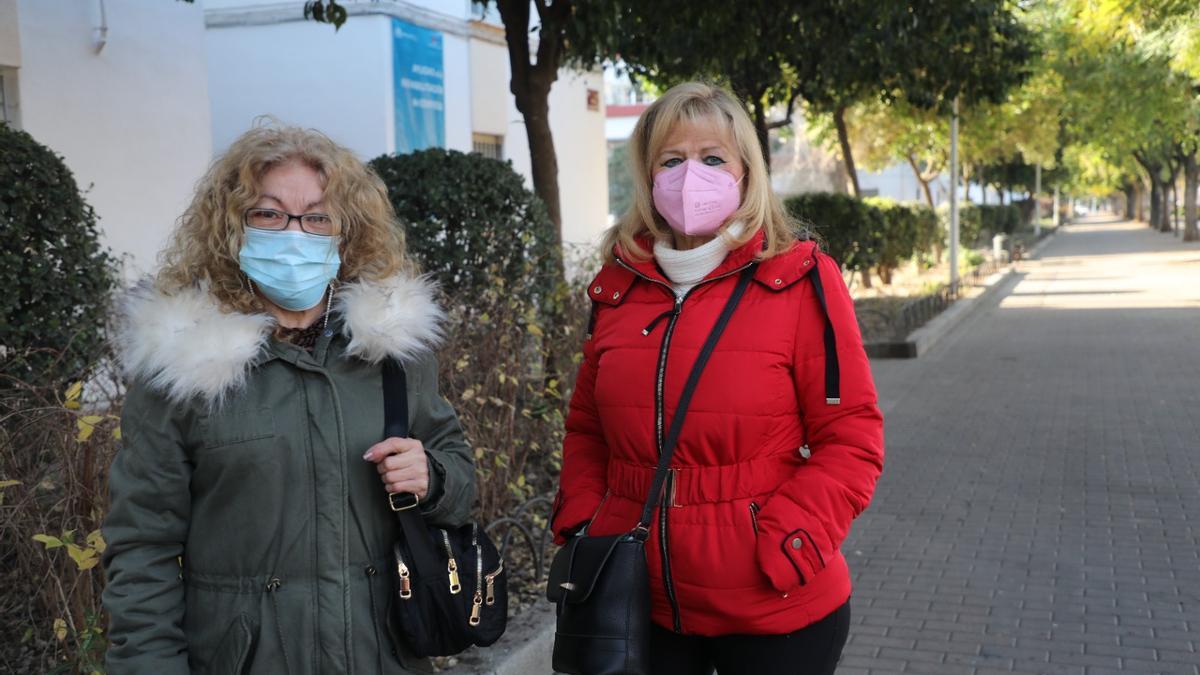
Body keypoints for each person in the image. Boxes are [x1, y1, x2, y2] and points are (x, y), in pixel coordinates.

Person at [102, 125, 475, 674]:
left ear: (346, 233)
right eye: (269, 214)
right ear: (233, 229)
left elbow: (460, 482)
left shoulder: (392, 353)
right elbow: (141, 549)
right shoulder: (185, 366)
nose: (295, 234)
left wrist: (434, 477)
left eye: (317, 217)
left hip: (384, 657)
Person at [550, 82, 885, 675]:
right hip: (638, 606)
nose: (690, 176)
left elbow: (851, 438)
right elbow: (586, 430)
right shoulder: (618, 290)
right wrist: (584, 523)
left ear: (746, 173)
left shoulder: (801, 281)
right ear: (648, 177)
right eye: (671, 161)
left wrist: (789, 544)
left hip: (772, 606)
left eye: (712, 159)